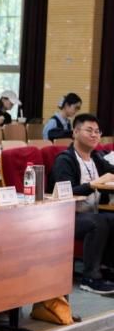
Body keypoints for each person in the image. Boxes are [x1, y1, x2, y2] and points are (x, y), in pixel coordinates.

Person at [51, 113, 114, 294]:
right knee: (98, 222)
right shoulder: (65, 159)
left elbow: (110, 172)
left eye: (97, 131)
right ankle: (90, 278)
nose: (94, 135)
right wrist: (92, 185)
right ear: (75, 132)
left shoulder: (96, 158)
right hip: (65, 216)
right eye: (89, 130)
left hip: (91, 212)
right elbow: (65, 192)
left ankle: (106, 268)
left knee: (111, 218)